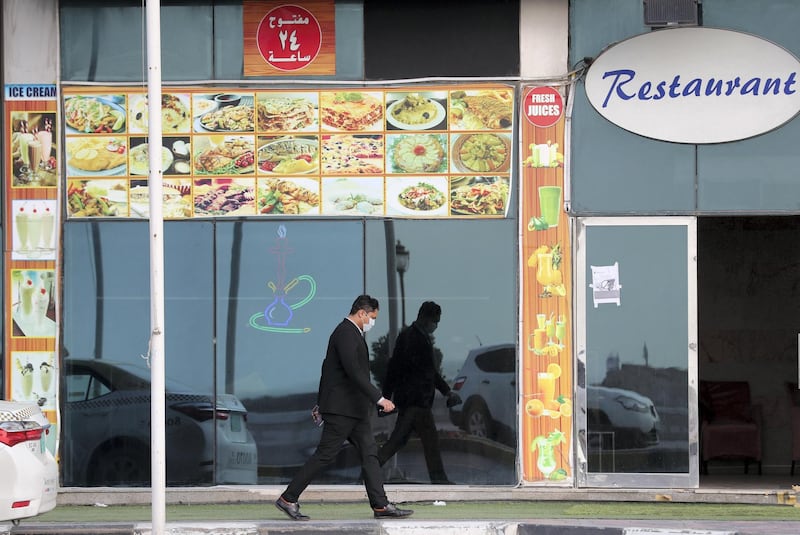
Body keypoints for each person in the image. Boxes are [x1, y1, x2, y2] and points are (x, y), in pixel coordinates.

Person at [275, 294, 414, 521]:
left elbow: (328, 370)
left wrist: (321, 403)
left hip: (354, 410)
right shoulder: (346, 333)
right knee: (325, 455)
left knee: (369, 453)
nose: (372, 322)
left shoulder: (350, 334)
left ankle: (380, 505)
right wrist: (379, 399)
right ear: (362, 313)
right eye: (372, 317)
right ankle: (288, 499)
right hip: (343, 410)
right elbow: (354, 372)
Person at [378, 301, 462, 484]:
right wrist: (385, 397)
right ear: (426, 318)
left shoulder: (414, 336)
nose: (436, 326)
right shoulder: (412, 338)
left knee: (399, 441)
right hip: (415, 402)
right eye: (435, 321)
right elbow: (402, 369)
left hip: (415, 402)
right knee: (420, 441)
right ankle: (439, 480)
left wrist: (446, 392)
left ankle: (369, 471)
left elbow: (424, 371)